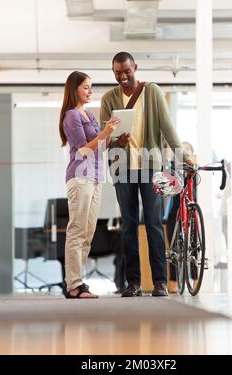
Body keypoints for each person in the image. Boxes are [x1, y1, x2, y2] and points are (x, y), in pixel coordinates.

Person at [100, 52, 192, 297]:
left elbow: (167, 127)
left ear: (135, 68)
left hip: (151, 166)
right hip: (122, 168)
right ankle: (134, 282)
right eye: (117, 73)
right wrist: (117, 140)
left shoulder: (152, 92)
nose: (122, 76)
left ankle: (160, 281)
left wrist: (183, 156)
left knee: (152, 222)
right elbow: (104, 139)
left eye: (126, 71)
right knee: (129, 225)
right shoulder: (109, 98)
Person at [59, 71, 120, 299]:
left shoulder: (91, 117)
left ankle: (79, 281)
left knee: (88, 233)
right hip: (79, 177)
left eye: (90, 87)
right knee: (77, 231)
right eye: (86, 87)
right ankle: (73, 285)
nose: (90, 91)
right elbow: (84, 149)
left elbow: (99, 146)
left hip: (95, 178)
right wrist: (106, 132)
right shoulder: (71, 116)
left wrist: (115, 137)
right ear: (74, 89)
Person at [166, 141, 197, 294]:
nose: (184, 154)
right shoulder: (172, 169)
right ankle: (172, 281)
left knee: (194, 244)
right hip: (175, 213)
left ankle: (196, 279)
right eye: (181, 152)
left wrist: (190, 170)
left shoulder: (193, 171)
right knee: (173, 247)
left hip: (191, 212)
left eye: (187, 151)